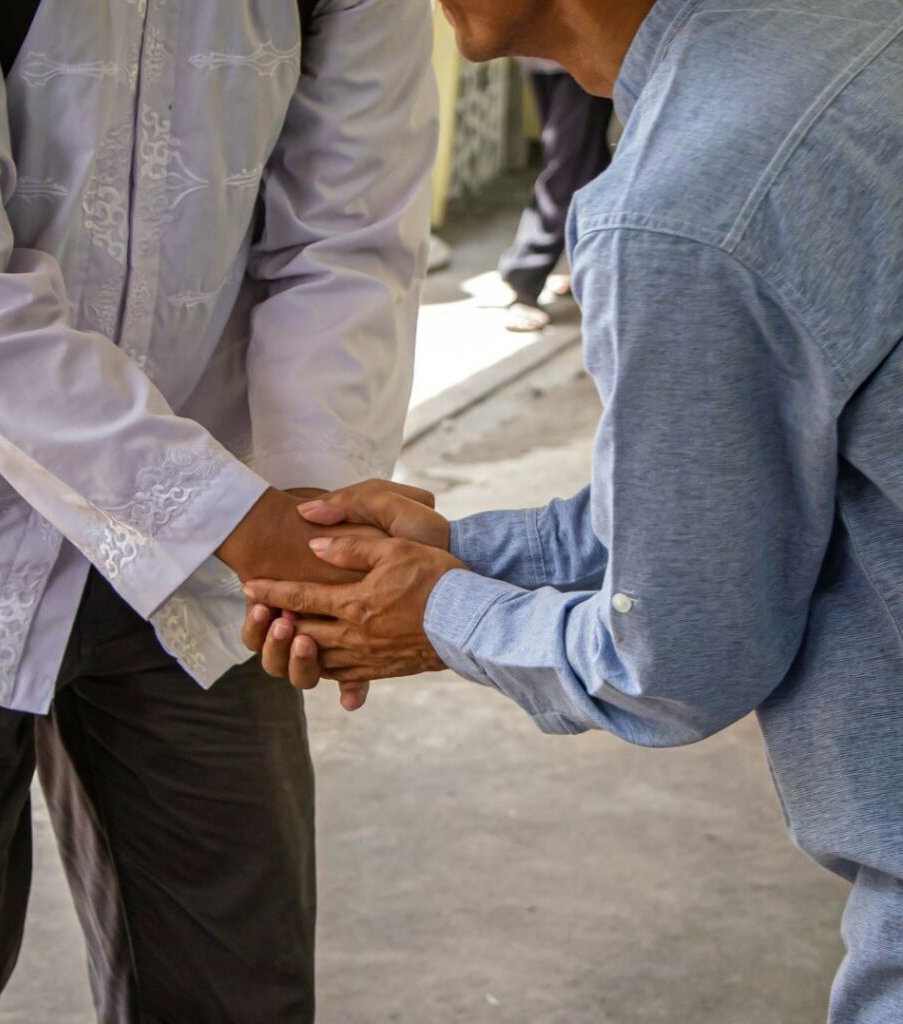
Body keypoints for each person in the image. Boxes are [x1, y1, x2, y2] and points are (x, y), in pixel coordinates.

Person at [243, 0, 903, 1018]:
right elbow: (732, 492)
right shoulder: (835, 43)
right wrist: (459, 550)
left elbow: (678, 657)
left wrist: (434, 613)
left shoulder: (686, 202)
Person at [0, 0, 436, 1019]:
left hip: (215, 554)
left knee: (236, 983)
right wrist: (248, 525)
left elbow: (345, 238)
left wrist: (314, 507)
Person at [498, 60, 612, 332]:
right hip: (543, 50)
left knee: (573, 160)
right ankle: (583, 266)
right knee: (580, 159)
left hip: (582, 51)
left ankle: (527, 276)